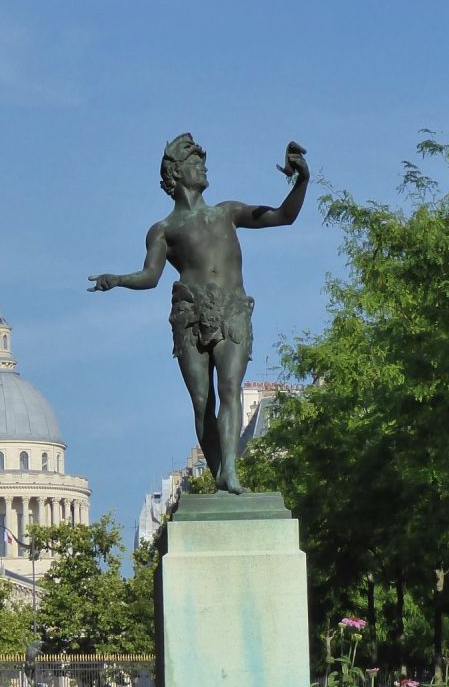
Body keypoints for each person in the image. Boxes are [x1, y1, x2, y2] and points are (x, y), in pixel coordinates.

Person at [89, 134, 309, 495]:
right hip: (189, 314)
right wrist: (117, 279)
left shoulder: (228, 213)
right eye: (195, 163)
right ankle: (220, 472)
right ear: (175, 174)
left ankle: (231, 472)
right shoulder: (163, 230)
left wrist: (301, 180)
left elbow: (284, 216)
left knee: (230, 388)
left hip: (231, 310)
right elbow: (151, 276)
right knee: (201, 402)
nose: (203, 168)